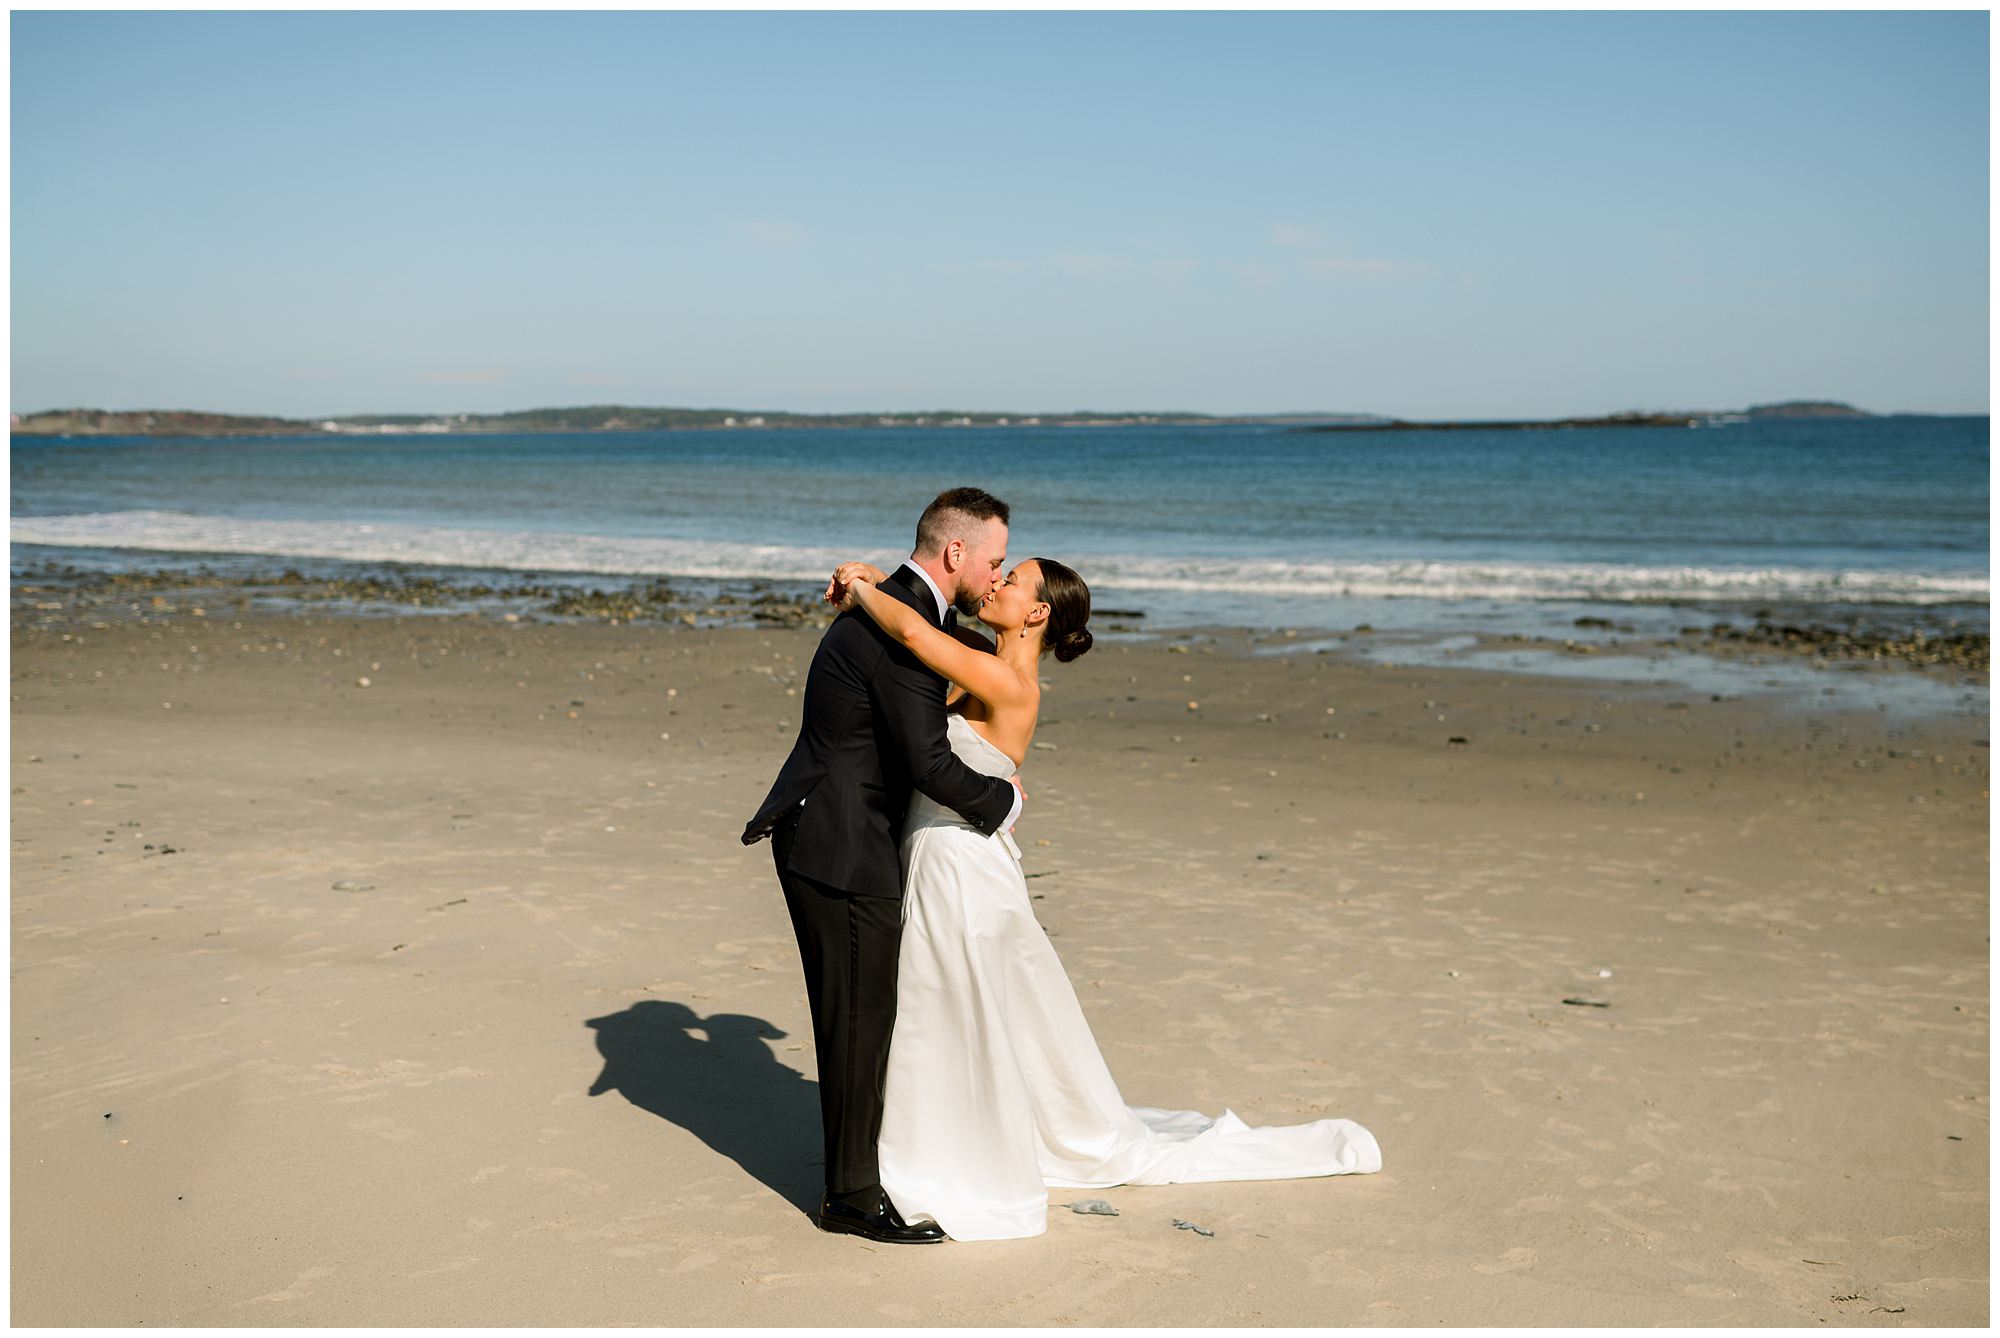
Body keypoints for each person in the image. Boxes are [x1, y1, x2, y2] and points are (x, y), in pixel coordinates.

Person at [826, 554, 1382, 1242]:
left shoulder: (1010, 680)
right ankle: (931, 1138)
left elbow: (913, 636)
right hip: (946, 856)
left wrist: (862, 588)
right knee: (953, 1007)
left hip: (960, 867)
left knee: (949, 1004)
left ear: (1037, 614)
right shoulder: (984, 662)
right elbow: (918, 659)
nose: (995, 583)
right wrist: (883, 584)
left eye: (1012, 581)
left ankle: (939, 1152)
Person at [741, 487, 1024, 1246]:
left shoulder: (903, 610)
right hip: (839, 843)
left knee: (863, 1017)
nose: (996, 576)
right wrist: (1002, 803)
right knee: (860, 1023)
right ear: (955, 552)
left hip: (834, 832)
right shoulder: (903, 625)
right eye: (994, 560)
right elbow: (927, 760)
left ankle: (857, 1176)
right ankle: (852, 1197)